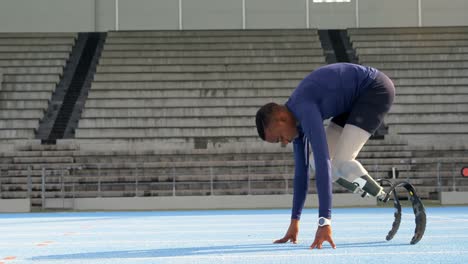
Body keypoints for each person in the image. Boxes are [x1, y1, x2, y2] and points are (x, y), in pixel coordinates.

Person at [255, 62, 395, 249]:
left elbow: (324, 163)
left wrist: (324, 222)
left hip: (374, 89)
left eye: (279, 137)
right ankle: (370, 189)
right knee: (313, 162)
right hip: (350, 103)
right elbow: (301, 175)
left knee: (340, 162)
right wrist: (294, 222)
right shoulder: (295, 124)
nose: (283, 142)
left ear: (282, 117)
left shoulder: (305, 109)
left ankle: (385, 195)